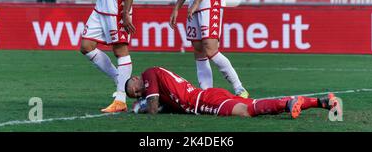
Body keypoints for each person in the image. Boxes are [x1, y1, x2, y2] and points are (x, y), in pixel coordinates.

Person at [126, 66, 339, 118]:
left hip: (203, 101)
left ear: (136, 79)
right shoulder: (158, 83)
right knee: (252, 104)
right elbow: (165, 105)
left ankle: (287, 104)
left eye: (134, 90)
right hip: (208, 95)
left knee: (246, 112)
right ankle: (321, 102)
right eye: (135, 95)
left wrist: (140, 109)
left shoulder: (149, 75)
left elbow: (153, 107)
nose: (138, 94)